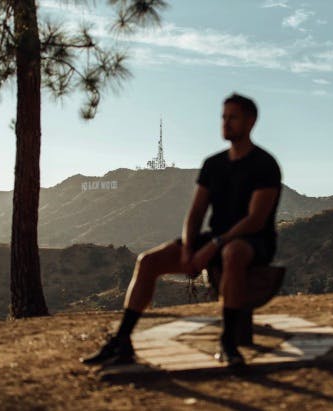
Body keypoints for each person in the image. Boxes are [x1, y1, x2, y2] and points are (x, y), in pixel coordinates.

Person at [81, 93, 282, 367]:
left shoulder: (264, 164)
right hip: (214, 238)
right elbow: (196, 212)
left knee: (232, 253)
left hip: (253, 241)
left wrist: (213, 246)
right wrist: (189, 250)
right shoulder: (214, 164)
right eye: (223, 117)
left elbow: (255, 219)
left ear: (251, 121)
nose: (225, 123)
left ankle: (228, 342)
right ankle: (122, 341)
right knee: (148, 261)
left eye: (233, 117)